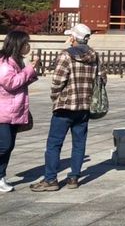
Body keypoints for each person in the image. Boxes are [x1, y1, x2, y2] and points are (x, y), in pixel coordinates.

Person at [31, 24, 105, 191]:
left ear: (73, 37)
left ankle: (51, 179)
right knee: (79, 142)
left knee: (54, 143)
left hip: (65, 105)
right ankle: (74, 177)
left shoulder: (66, 56)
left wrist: (55, 98)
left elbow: (58, 81)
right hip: (84, 106)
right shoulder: (94, 56)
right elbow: (102, 79)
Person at [0, 31, 40, 193]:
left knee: (9, 146)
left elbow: (21, 83)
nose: (28, 46)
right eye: (25, 43)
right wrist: (30, 70)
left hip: (14, 110)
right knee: (4, 145)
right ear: (17, 45)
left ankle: (1, 175)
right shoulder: (5, 63)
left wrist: (30, 71)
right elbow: (10, 83)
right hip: (4, 111)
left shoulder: (17, 62)